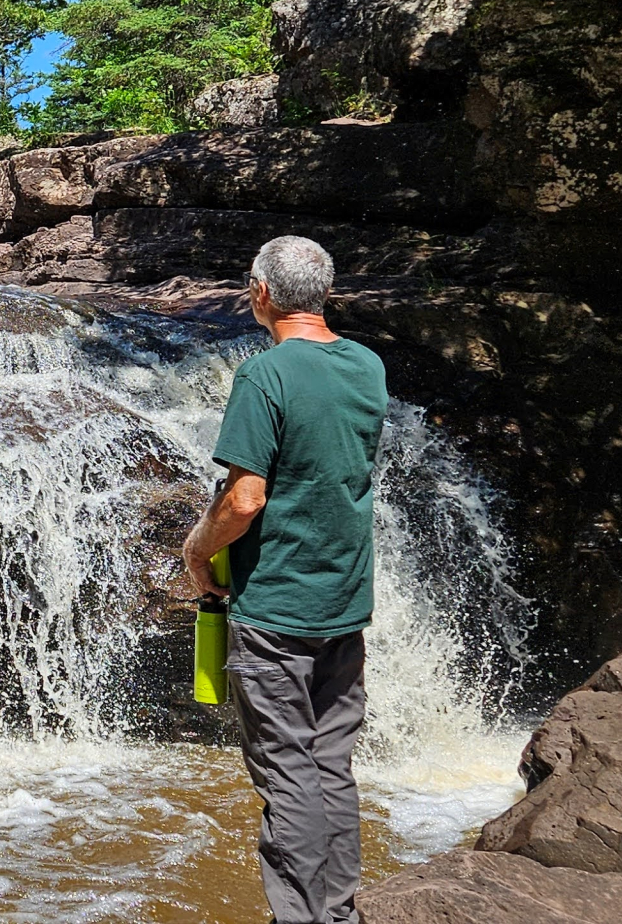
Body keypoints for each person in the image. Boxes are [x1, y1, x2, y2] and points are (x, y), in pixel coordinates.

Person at [182, 235, 387, 924]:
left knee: (288, 772)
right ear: (325, 293)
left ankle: (299, 917)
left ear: (261, 294)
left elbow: (245, 499)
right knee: (331, 763)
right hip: (344, 601)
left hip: (276, 607)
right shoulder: (367, 366)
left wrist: (197, 551)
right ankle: (338, 911)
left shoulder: (264, 374)